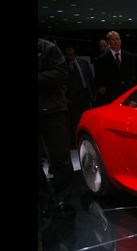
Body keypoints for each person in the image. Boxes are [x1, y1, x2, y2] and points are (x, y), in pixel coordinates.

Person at [38, 38, 73, 213]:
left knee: (60, 157)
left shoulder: (48, 48)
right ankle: (43, 201)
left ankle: (63, 198)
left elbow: (61, 73)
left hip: (53, 110)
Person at [64, 45, 96, 148]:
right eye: (67, 55)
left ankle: (89, 139)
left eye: (71, 55)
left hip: (85, 93)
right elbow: (63, 81)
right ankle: (76, 142)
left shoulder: (83, 63)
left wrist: (93, 93)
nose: (69, 57)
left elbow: (90, 78)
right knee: (75, 120)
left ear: (76, 55)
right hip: (73, 96)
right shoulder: (64, 66)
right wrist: (69, 69)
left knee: (87, 117)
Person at [94, 31, 135, 106]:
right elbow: (100, 77)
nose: (116, 41)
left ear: (120, 41)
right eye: (113, 39)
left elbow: (132, 74)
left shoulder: (128, 56)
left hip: (127, 92)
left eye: (117, 39)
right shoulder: (102, 59)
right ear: (108, 42)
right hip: (111, 94)